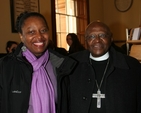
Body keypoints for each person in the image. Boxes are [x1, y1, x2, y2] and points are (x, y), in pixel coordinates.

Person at [0, 11, 76, 113]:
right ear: (21, 36)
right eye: (31, 32)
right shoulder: (5, 67)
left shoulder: (61, 66)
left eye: (43, 30)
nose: (39, 36)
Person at [68, 21, 141, 113]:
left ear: (111, 38)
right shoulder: (72, 64)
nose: (97, 40)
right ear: (85, 40)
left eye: (102, 35)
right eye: (92, 36)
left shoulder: (132, 66)